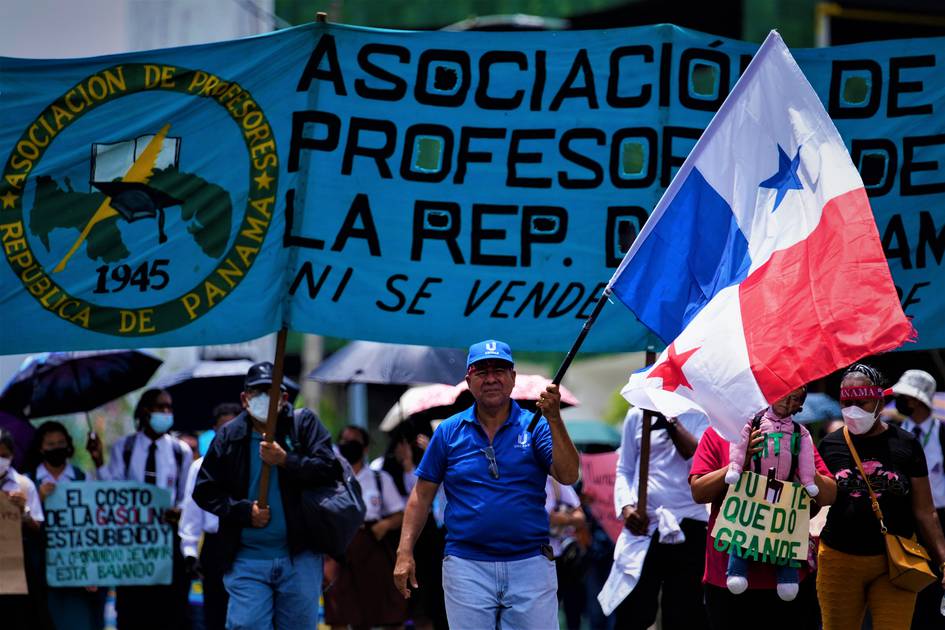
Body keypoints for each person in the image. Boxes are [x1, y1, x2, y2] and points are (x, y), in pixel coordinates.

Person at [393, 339, 581, 630]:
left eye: (500, 370)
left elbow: (568, 475)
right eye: (482, 371)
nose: (491, 378)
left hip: (530, 564)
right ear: (469, 379)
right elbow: (421, 495)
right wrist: (404, 552)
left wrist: (555, 419)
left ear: (513, 378)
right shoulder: (448, 431)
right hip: (467, 566)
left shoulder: (538, 426)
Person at [193, 362, 339, 630]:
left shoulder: (303, 425)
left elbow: (330, 470)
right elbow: (204, 490)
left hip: (300, 557)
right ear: (244, 399)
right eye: (257, 392)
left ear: (284, 398)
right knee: (246, 625)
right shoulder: (229, 435)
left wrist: (287, 460)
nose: (264, 399)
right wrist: (243, 511)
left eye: (270, 392)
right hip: (246, 560)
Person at [689, 389, 837, 630]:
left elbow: (829, 495)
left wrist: (802, 467)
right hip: (727, 577)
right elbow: (699, 492)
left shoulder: (797, 437)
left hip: (786, 580)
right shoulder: (717, 435)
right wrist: (740, 462)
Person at [817, 364, 945, 630]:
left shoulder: (906, 444)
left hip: (896, 562)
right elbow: (817, 502)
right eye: (846, 402)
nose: (853, 410)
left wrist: (943, 560)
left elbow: (925, 510)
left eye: (861, 402)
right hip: (839, 560)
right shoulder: (829, 444)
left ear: (878, 401)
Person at [88, 388, 194, 630]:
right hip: (134, 548)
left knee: (171, 612)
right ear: (145, 411)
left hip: (168, 544)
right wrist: (97, 460)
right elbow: (112, 491)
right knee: (133, 612)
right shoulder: (124, 448)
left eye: (169, 408)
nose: (166, 413)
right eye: (160, 407)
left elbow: (188, 495)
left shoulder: (180, 452)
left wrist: (179, 511)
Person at [604, 408, 710, 629]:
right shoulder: (636, 415)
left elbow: (698, 460)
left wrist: (669, 418)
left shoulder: (700, 413)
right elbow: (624, 468)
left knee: (683, 614)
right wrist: (625, 508)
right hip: (644, 525)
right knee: (633, 612)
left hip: (690, 525)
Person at [325, 425, 408, 630]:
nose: (349, 445)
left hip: (371, 545)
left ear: (364, 448)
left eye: (354, 441)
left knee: (379, 609)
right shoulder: (330, 479)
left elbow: (400, 512)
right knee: (340, 610)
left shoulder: (380, 479)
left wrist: (385, 524)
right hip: (339, 547)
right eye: (344, 441)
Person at [26, 421, 105, 630]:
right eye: (50, 444)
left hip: (75, 570)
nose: (56, 448)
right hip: (39, 569)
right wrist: (38, 499)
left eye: (60, 443)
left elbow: (93, 524)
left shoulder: (82, 478)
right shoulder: (28, 482)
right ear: (41, 448)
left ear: (68, 445)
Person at [376, 423, 447, 630]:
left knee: (433, 599)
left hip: (433, 544)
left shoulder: (438, 459)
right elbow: (413, 500)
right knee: (407, 603)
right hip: (403, 544)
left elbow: (429, 494)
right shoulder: (383, 470)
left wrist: (431, 455)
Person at [180, 403, 240, 630]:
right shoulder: (200, 466)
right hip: (215, 547)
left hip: (246, 542)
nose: (228, 432)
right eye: (223, 427)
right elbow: (192, 511)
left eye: (233, 426)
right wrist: (189, 550)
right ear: (214, 429)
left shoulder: (256, 463)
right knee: (215, 611)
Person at [893, 369, 945, 630]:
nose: (900, 400)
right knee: (910, 574)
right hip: (906, 518)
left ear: (917, 400)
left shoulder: (941, 432)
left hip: (939, 517)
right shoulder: (896, 433)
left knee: (938, 575)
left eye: (904, 396)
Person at [0, 427, 48, 630]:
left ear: (12, 456)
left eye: (4, 455)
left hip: (16, 567)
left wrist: (24, 510)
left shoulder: (24, 485)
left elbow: (38, 528)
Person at [544, 475, 586, 630]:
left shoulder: (553, 480)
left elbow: (580, 516)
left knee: (572, 609)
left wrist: (562, 519)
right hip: (531, 559)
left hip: (561, 558)